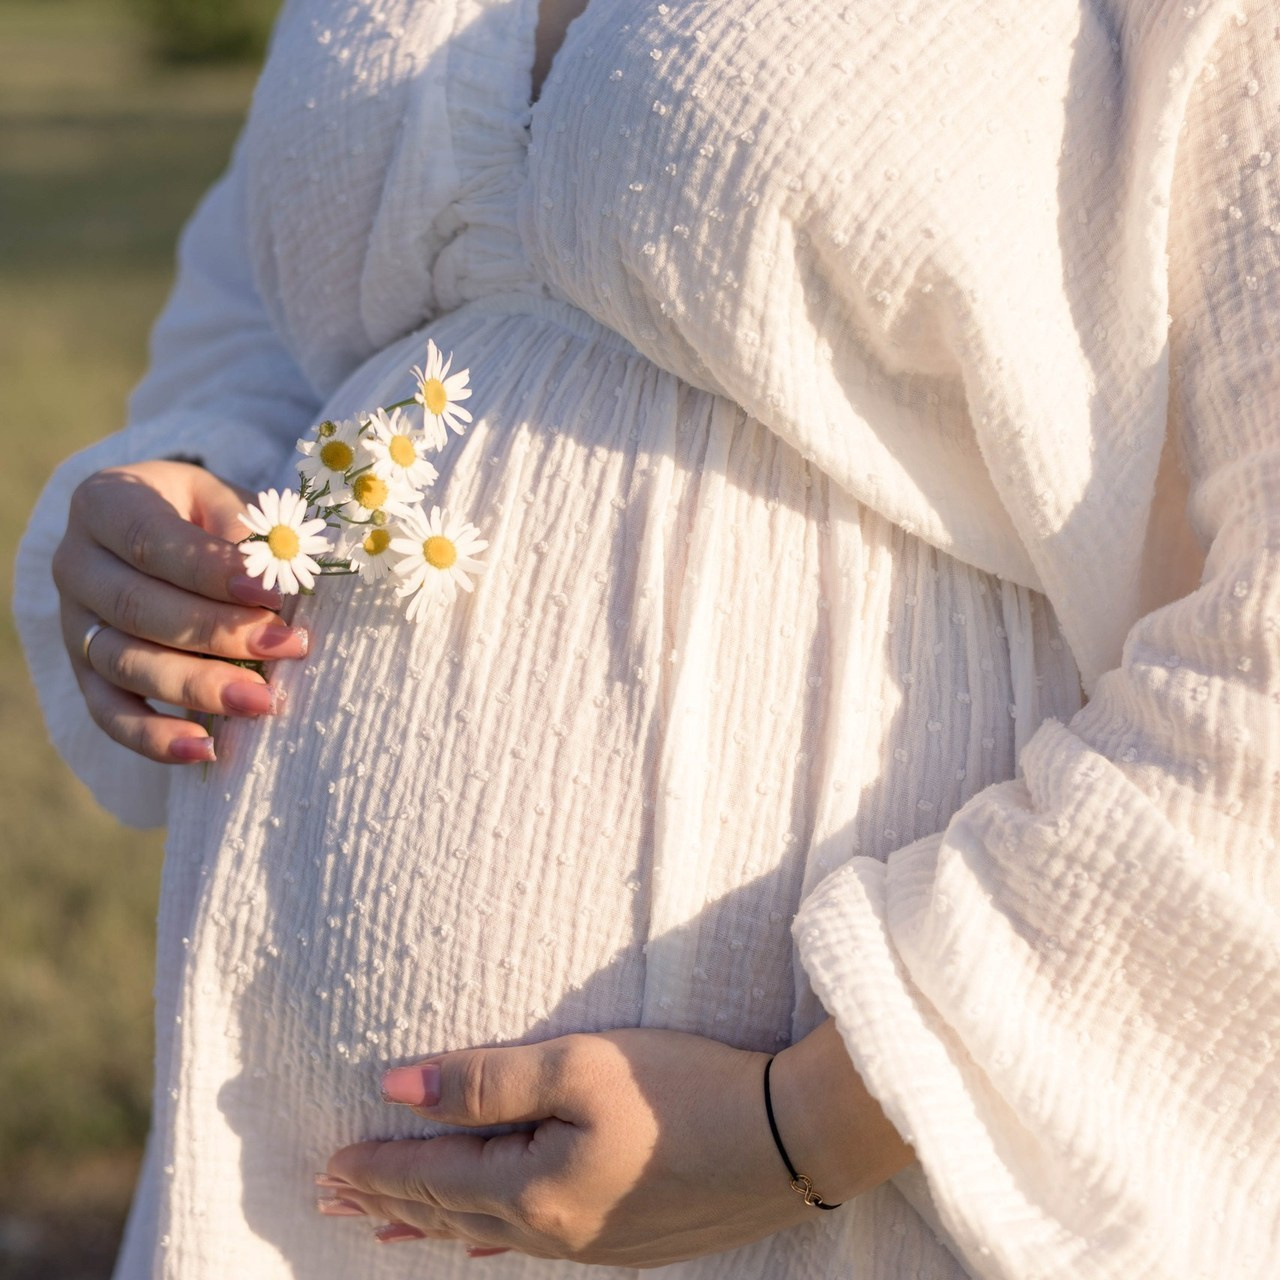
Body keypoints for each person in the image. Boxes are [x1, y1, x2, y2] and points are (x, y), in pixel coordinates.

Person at [14, 0, 1280, 1275]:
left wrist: (815, 1120)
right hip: (291, 1176)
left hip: (865, 1193)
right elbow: (254, 313)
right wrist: (175, 506)